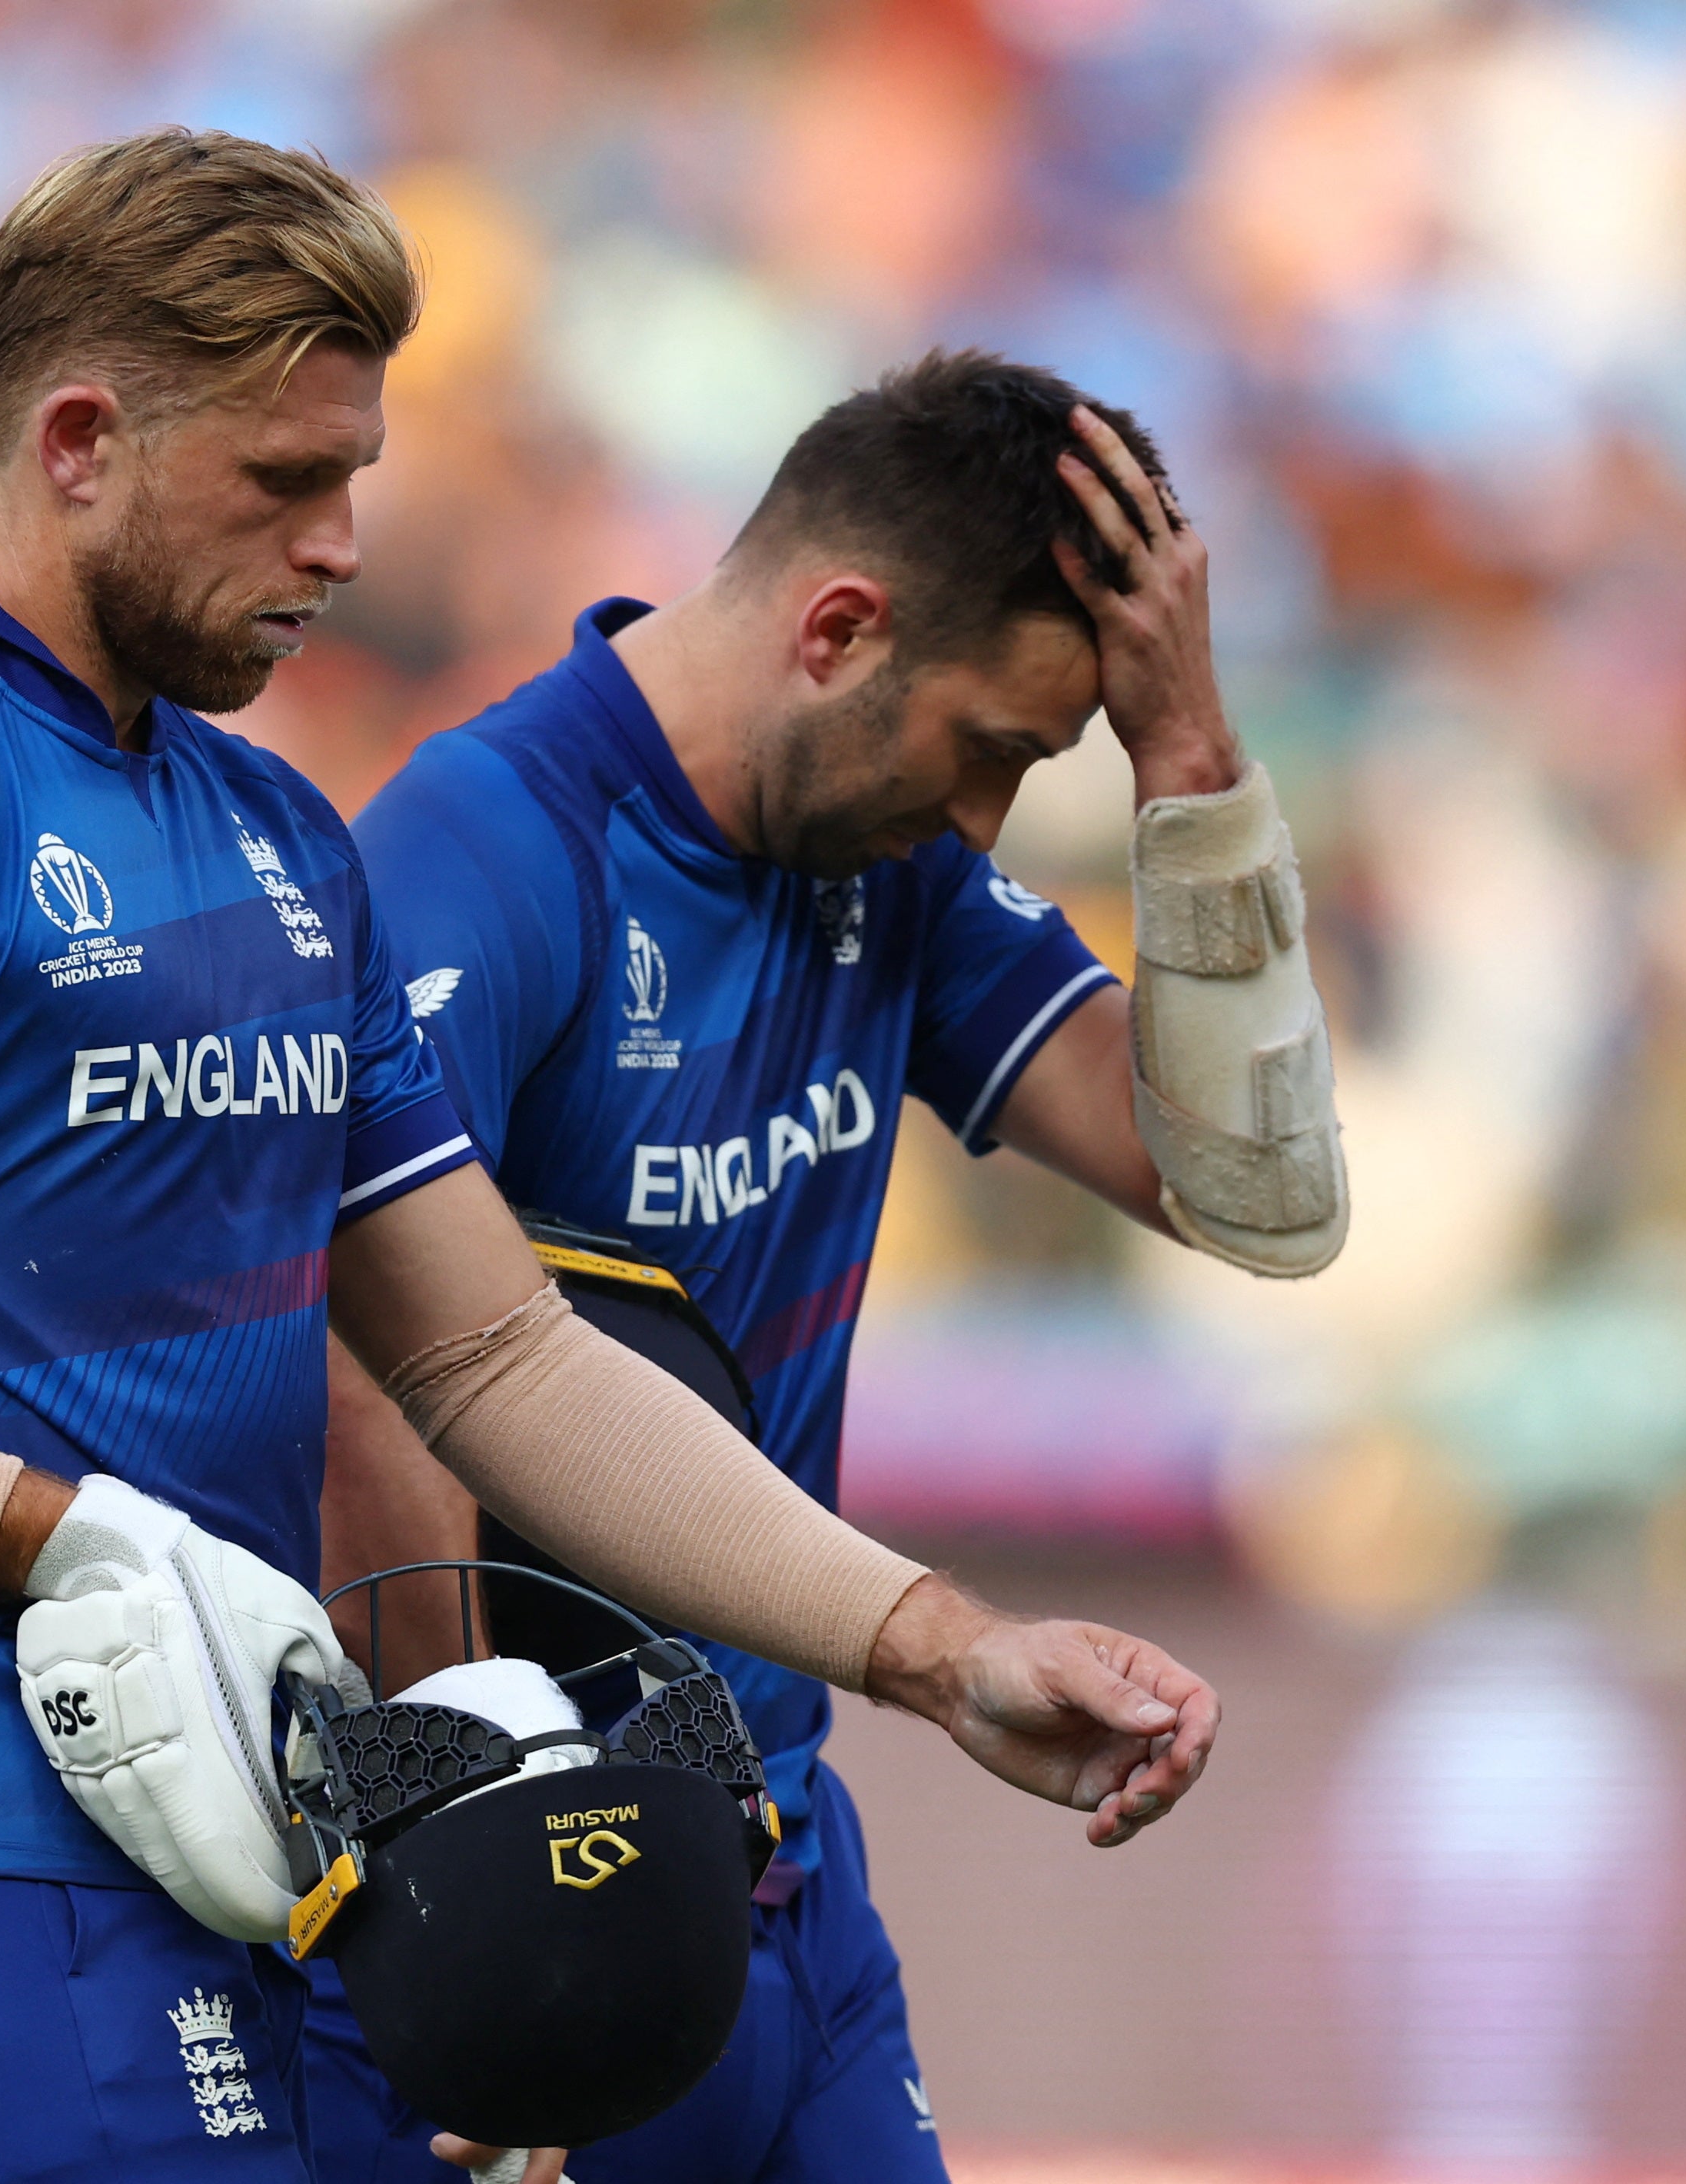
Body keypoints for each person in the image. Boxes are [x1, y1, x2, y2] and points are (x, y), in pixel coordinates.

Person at [0, 128, 1221, 2184]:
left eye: (353, 481)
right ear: (78, 442)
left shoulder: (280, 841)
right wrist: (72, 1535)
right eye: (283, 482)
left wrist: (944, 1650)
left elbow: (499, 1366)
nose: (339, 544)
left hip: (238, 1843)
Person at [306, 350, 1343, 2184]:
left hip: (784, 1869)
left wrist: (1190, 766)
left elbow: (1247, 1191)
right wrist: (480, 1875)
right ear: (841, 627)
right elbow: (360, 1370)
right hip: (560, 1887)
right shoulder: (489, 852)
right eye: (996, 752)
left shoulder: (892, 868)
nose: (985, 828)